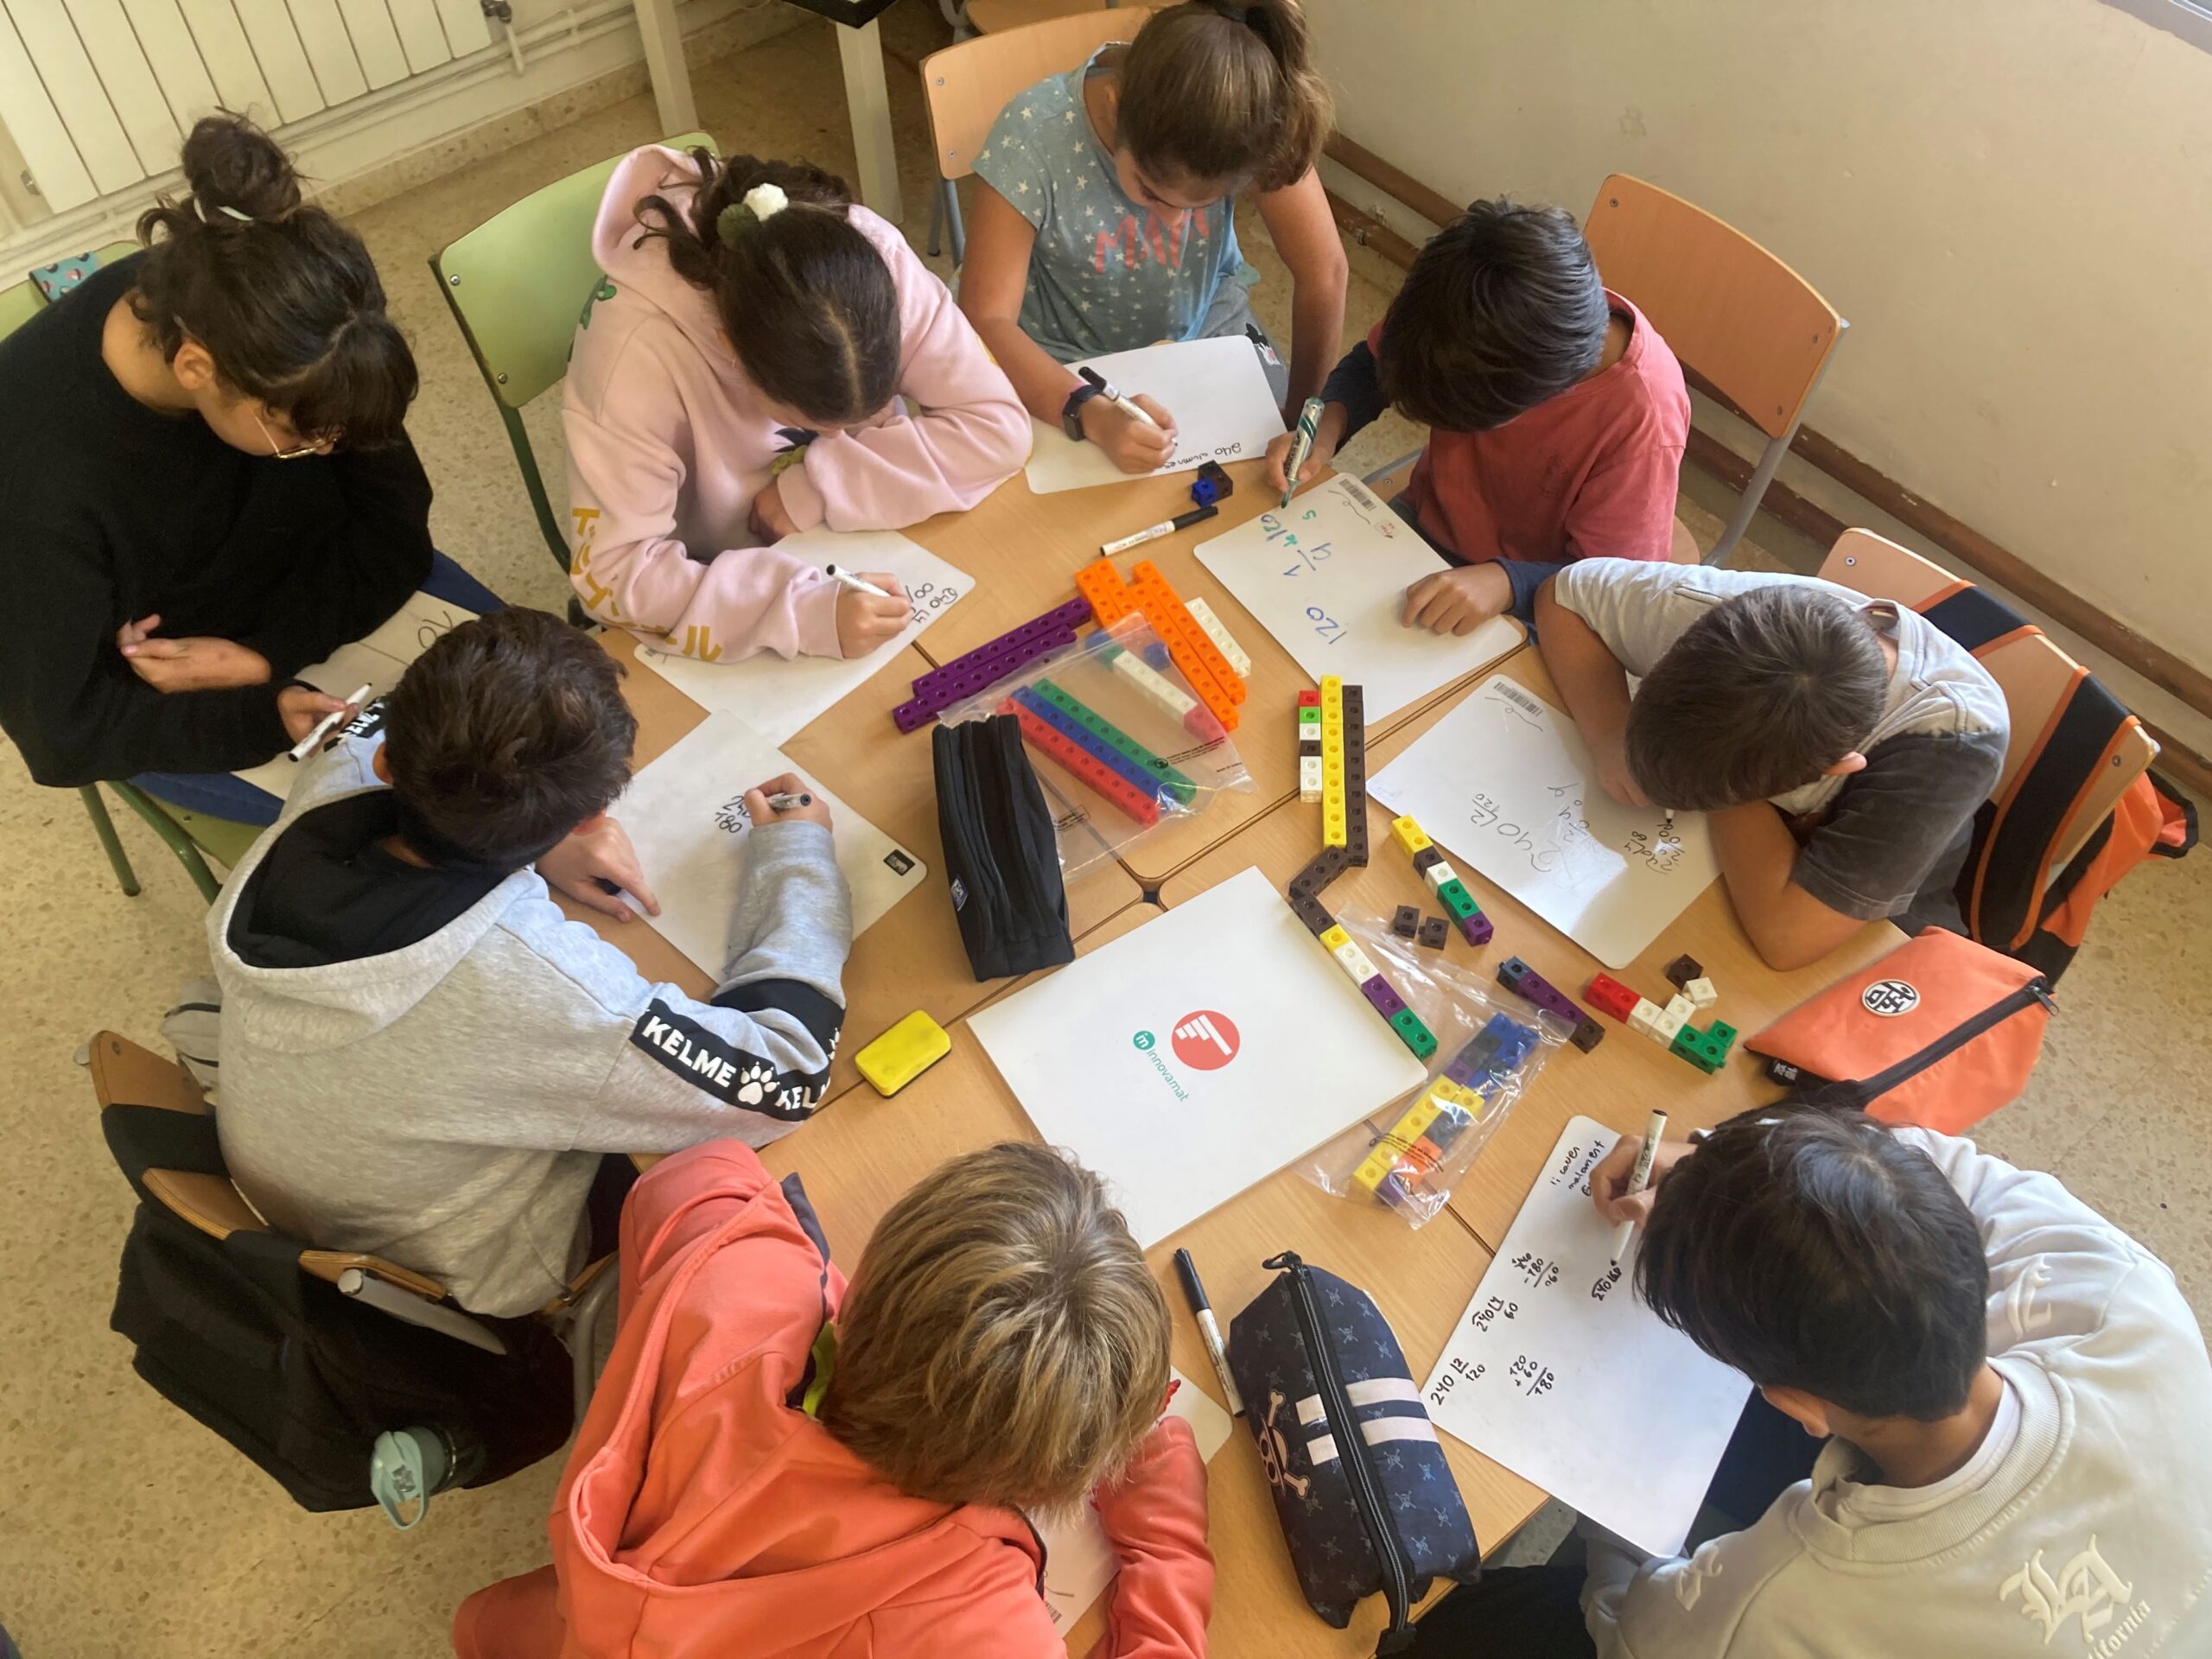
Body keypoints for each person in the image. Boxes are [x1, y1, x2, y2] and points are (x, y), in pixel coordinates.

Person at [207, 607, 853, 1318]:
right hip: (466, 1257)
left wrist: (533, 844)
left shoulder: (336, 781)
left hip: (316, 1171)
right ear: (594, 816)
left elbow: (382, 714)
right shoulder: (541, 989)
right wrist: (797, 856)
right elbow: (785, 1080)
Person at [452, 1137, 1213, 1657]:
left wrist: (825, 1286)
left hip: (547, 1627)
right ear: (1052, 1478)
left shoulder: (741, 1273)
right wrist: (1166, 1538)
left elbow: (695, 1176)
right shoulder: (978, 1624)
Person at [0, 113, 463, 789]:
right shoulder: (38, 486)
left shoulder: (282, 314)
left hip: (322, 596)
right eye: (296, 439)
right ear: (195, 368)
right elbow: (64, 734)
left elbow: (395, 532)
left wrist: (267, 652)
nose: (328, 448)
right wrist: (257, 713)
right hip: (178, 706)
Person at [564, 149, 1028, 664]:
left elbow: (999, 427)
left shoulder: (869, 256)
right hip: (720, 573)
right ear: (734, 351)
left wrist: (817, 487)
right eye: (806, 423)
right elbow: (613, 575)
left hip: (844, 544)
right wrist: (798, 612)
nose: (836, 440)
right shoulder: (632, 355)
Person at [1535, 563, 2008, 968]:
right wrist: (1609, 733)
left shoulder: (1949, 746)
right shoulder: (1709, 612)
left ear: (1839, 767)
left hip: (1885, 914)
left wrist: (1717, 780)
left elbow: (1789, 939)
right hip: (1742, 846)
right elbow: (1564, 594)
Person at [958, 0, 1348, 474]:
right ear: (1114, 106)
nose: (1173, 224)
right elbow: (986, 318)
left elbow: (1324, 273)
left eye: (1201, 205)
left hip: (1206, 326)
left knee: (1255, 483)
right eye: (1150, 192)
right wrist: (1087, 410)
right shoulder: (1035, 136)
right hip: (1061, 354)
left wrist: (1299, 418)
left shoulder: (1255, 119)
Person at [1268, 200, 1690, 633]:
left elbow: (1607, 583)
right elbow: (1371, 366)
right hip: (1426, 523)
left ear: (1537, 399)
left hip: (1543, 595)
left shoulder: (1643, 418)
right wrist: (1327, 428)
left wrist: (1506, 583)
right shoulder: (1456, 297)